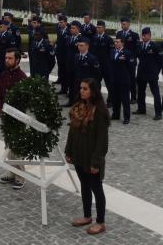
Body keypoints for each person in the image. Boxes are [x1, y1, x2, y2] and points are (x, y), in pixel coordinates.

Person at [64, 77, 109, 236]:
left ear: (93, 91)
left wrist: (96, 162)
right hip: (78, 155)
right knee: (84, 185)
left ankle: (101, 222)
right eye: (81, 88)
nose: (81, 91)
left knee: (97, 189)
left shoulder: (100, 112)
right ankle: (87, 216)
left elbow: (102, 141)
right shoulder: (78, 107)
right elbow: (72, 132)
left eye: (85, 89)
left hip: (91, 158)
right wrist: (68, 151)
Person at [0, 48, 28, 189]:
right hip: (5, 117)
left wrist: (15, 115)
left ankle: (21, 176)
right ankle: (12, 173)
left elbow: (25, 100)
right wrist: (0, 111)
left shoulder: (22, 77)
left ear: (17, 60)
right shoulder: (3, 75)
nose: (7, 60)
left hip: (18, 118)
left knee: (17, 148)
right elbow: (0, 95)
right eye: (6, 58)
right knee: (8, 146)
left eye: (9, 58)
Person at [136, 27, 163, 120]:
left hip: (152, 74)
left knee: (155, 93)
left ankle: (158, 113)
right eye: (142, 35)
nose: (143, 37)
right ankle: (141, 109)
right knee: (140, 92)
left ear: (149, 36)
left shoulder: (155, 46)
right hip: (141, 73)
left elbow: (160, 61)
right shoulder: (139, 45)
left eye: (145, 35)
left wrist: (156, 72)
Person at [65, 36, 100, 107]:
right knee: (77, 101)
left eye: (82, 45)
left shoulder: (92, 58)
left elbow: (97, 73)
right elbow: (74, 70)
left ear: (87, 46)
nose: (79, 47)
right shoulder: (76, 56)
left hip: (87, 84)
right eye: (78, 45)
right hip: (77, 83)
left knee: (87, 103)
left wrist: (92, 84)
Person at [110, 37, 134, 124]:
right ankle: (115, 114)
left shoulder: (127, 53)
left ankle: (126, 117)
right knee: (115, 98)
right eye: (115, 42)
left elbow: (131, 66)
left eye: (117, 42)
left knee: (125, 99)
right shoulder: (112, 51)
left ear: (122, 43)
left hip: (124, 79)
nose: (115, 43)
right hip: (114, 79)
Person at [116, 17, 140, 102]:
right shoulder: (119, 34)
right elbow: (117, 46)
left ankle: (133, 97)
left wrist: (133, 58)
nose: (123, 25)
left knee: (131, 79)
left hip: (130, 60)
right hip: (121, 59)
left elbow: (137, 49)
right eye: (122, 24)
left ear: (129, 24)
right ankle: (121, 95)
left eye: (124, 24)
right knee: (121, 77)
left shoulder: (134, 35)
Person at [91, 20, 115, 103]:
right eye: (97, 27)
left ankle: (111, 100)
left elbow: (111, 53)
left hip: (106, 65)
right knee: (96, 83)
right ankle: (97, 99)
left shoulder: (108, 39)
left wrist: (111, 64)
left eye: (99, 27)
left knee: (109, 83)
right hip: (97, 65)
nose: (98, 29)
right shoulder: (94, 38)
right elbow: (92, 51)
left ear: (104, 28)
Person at [55, 15, 70, 94]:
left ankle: (67, 89)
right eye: (59, 22)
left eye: (61, 22)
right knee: (61, 73)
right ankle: (63, 89)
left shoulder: (69, 31)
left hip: (67, 56)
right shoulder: (59, 30)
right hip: (60, 55)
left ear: (66, 22)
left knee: (67, 73)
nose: (60, 24)